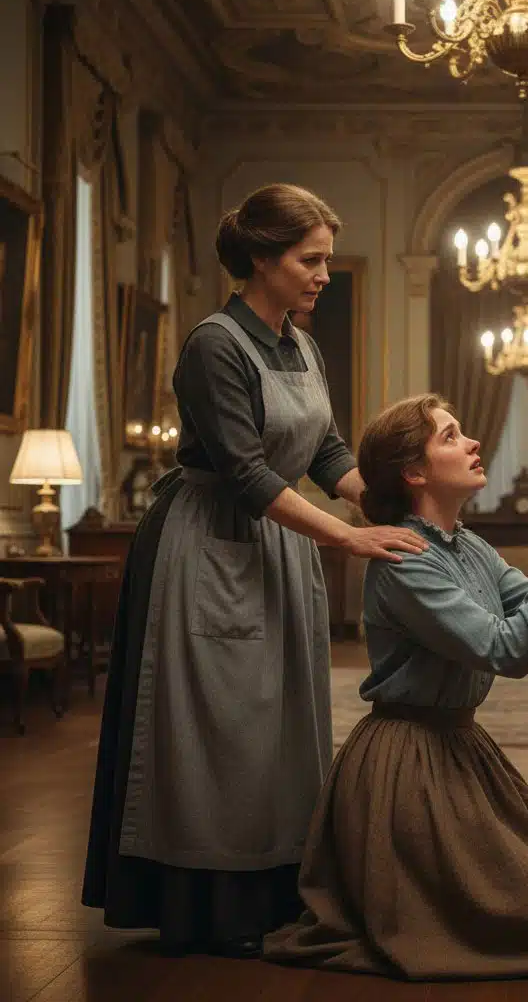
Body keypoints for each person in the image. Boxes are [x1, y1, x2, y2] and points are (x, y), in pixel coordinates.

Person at [81, 183, 428, 959]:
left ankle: (275, 891)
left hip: (279, 542)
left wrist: (394, 509)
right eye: (310, 260)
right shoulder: (214, 345)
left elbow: (326, 452)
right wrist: (349, 540)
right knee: (219, 724)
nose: (324, 275)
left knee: (279, 722)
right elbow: (245, 474)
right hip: (209, 546)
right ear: (262, 260)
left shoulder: (301, 344)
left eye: (326, 260)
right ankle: (207, 904)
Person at [262, 394, 528, 979]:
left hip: (459, 747)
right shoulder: (406, 558)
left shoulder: (468, 544)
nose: (474, 442)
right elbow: (508, 649)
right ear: (413, 472)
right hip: (406, 762)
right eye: (451, 436)